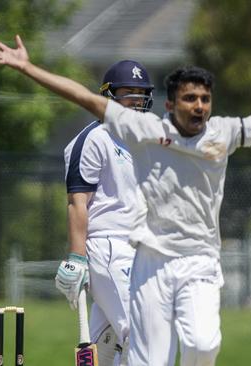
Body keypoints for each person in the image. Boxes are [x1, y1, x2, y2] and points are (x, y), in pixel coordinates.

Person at [0, 35, 251, 366]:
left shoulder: (223, 133)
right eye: (190, 99)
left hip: (201, 260)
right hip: (151, 260)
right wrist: (26, 68)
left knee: (204, 344)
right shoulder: (144, 130)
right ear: (171, 104)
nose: (199, 107)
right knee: (146, 357)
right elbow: (86, 99)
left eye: (205, 99)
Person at [54, 59, 154, 366]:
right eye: (129, 93)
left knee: (104, 348)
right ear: (108, 95)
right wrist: (76, 257)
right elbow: (77, 202)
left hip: (140, 248)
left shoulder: (145, 139)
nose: (136, 101)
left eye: (141, 94)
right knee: (144, 333)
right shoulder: (92, 139)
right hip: (109, 246)